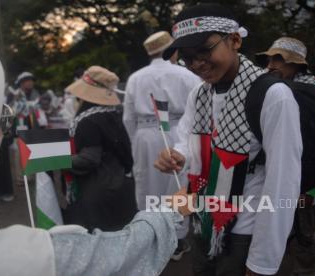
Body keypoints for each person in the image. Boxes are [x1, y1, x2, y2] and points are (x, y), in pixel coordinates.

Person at [0, 16, 195, 276]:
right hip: (127, 181)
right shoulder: (17, 263)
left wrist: (59, 159)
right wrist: (168, 213)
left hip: (103, 189)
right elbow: (113, 254)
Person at [155, 4, 302, 275]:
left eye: (204, 50)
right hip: (203, 220)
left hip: (245, 229)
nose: (197, 64)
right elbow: (188, 139)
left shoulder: (273, 95)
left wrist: (262, 262)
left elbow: (283, 182)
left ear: (234, 40)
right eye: (187, 57)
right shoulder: (199, 94)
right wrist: (178, 155)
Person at [256, 36, 315, 275]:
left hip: (311, 183)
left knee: (306, 237)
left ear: (297, 64)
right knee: (272, 231)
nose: (271, 65)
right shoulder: (274, 89)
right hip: (279, 181)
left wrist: (310, 189)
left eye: (279, 59)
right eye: (269, 59)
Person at [123, 30, 201, 260]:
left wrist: (136, 142)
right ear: (174, 49)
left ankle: (149, 234)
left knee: (147, 183)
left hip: (145, 135)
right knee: (178, 184)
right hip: (179, 131)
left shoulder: (136, 77)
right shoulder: (186, 75)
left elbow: (128, 118)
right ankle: (176, 238)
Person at [63, 66, 138, 232]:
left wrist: (59, 160)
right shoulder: (114, 113)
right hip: (120, 183)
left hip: (97, 189)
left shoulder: (88, 120)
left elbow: (90, 158)